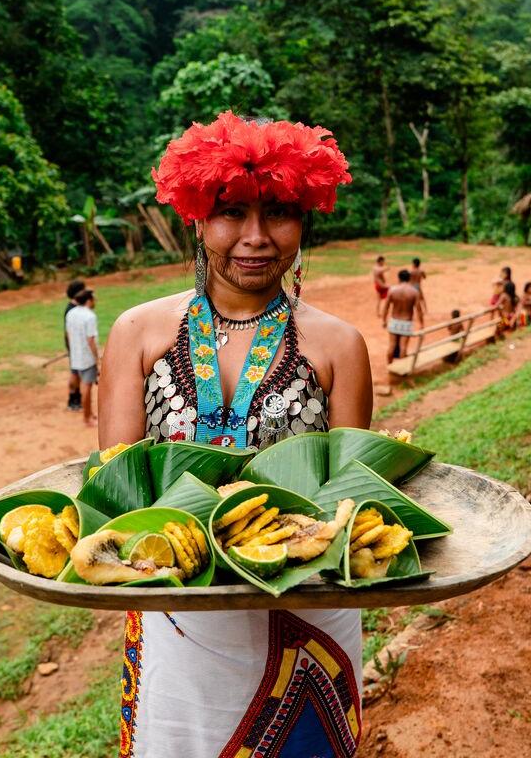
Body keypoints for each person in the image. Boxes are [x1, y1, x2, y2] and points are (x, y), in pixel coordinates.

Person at [99, 112, 372, 757]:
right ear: (196, 215)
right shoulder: (137, 334)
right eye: (230, 212)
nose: (255, 237)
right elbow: (113, 487)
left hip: (305, 621)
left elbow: (351, 503)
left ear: (305, 218)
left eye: (278, 212)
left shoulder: (338, 345)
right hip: (178, 622)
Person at [65, 289, 99, 426]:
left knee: (79, 381)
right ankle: (87, 418)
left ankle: (89, 413)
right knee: (87, 386)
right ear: (88, 300)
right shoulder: (89, 316)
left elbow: (68, 334)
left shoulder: (71, 313)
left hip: (75, 355)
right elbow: (91, 340)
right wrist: (96, 359)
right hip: (86, 357)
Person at [382, 268, 425, 364]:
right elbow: (419, 310)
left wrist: (384, 320)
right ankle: (401, 369)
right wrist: (421, 324)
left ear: (399, 278)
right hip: (406, 322)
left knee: (392, 346)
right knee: (403, 347)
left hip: (394, 321)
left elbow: (386, 307)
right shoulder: (414, 292)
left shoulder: (392, 290)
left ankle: (390, 365)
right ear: (409, 278)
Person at [64, 279, 86, 411]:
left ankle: (76, 397)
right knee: (75, 373)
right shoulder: (70, 310)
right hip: (74, 346)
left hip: (76, 345)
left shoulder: (76, 307)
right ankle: (73, 399)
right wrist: (72, 347)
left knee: (77, 373)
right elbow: (68, 332)